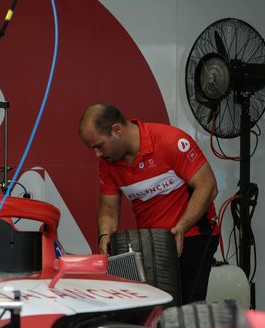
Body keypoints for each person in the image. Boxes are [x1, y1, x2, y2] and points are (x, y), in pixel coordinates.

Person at [78, 103, 219, 303]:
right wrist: (104, 235)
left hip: (192, 234)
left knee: (186, 309)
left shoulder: (170, 141)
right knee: (153, 308)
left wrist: (181, 227)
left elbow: (208, 186)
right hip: (151, 242)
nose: (97, 154)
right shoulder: (108, 163)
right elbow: (109, 207)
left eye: (99, 146)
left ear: (117, 130)